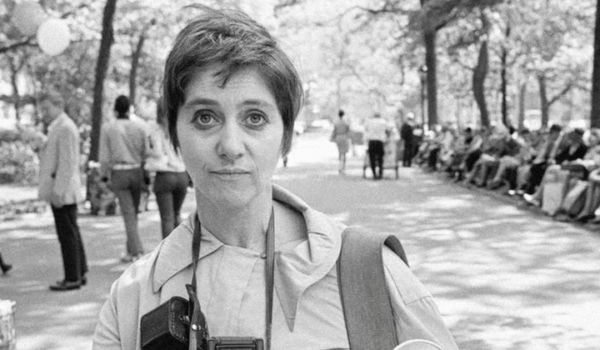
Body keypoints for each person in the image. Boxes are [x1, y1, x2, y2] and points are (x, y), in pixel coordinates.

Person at [92, 8, 458, 350]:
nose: (230, 146)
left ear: (285, 136)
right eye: (205, 117)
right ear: (174, 134)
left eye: (254, 118)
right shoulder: (132, 298)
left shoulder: (371, 278)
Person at [38, 91, 88, 291]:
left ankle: (72, 277)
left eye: (46, 108)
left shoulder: (65, 127)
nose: (44, 113)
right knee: (71, 231)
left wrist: (58, 191)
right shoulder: (60, 127)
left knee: (67, 234)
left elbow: (67, 163)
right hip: (63, 188)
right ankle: (80, 272)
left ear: (58, 105)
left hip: (63, 190)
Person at [99, 95, 149, 263]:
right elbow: (146, 151)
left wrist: (103, 176)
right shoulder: (141, 126)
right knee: (133, 213)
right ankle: (131, 250)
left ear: (115, 110)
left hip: (119, 173)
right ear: (130, 109)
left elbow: (104, 157)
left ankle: (137, 251)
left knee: (128, 214)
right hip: (136, 171)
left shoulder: (108, 128)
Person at [146, 101, 189, 238]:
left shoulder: (157, 130)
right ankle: (182, 253)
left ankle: (168, 256)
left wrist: (148, 150)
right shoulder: (182, 128)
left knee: (167, 218)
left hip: (165, 176)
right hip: (182, 175)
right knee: (177, 215)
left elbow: (157, 153)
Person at [365, 112, 388, 179]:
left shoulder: (369, 122)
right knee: (380, 158)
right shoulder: (383, 122)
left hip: (372, 142)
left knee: (372, 159)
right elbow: (387, 130)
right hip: (380, 142)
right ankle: (380, 173)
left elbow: (366, 130)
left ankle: (374, 174)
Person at [330, 109, 351, 174]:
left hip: (338, 137)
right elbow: (348, 131)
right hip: (344, 137)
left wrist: (332, 138)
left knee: (339, 153)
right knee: (344, 153)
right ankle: (343, 168)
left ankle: (340, 167)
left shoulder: (336, 123)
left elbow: (334, 131)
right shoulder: (346, 122)